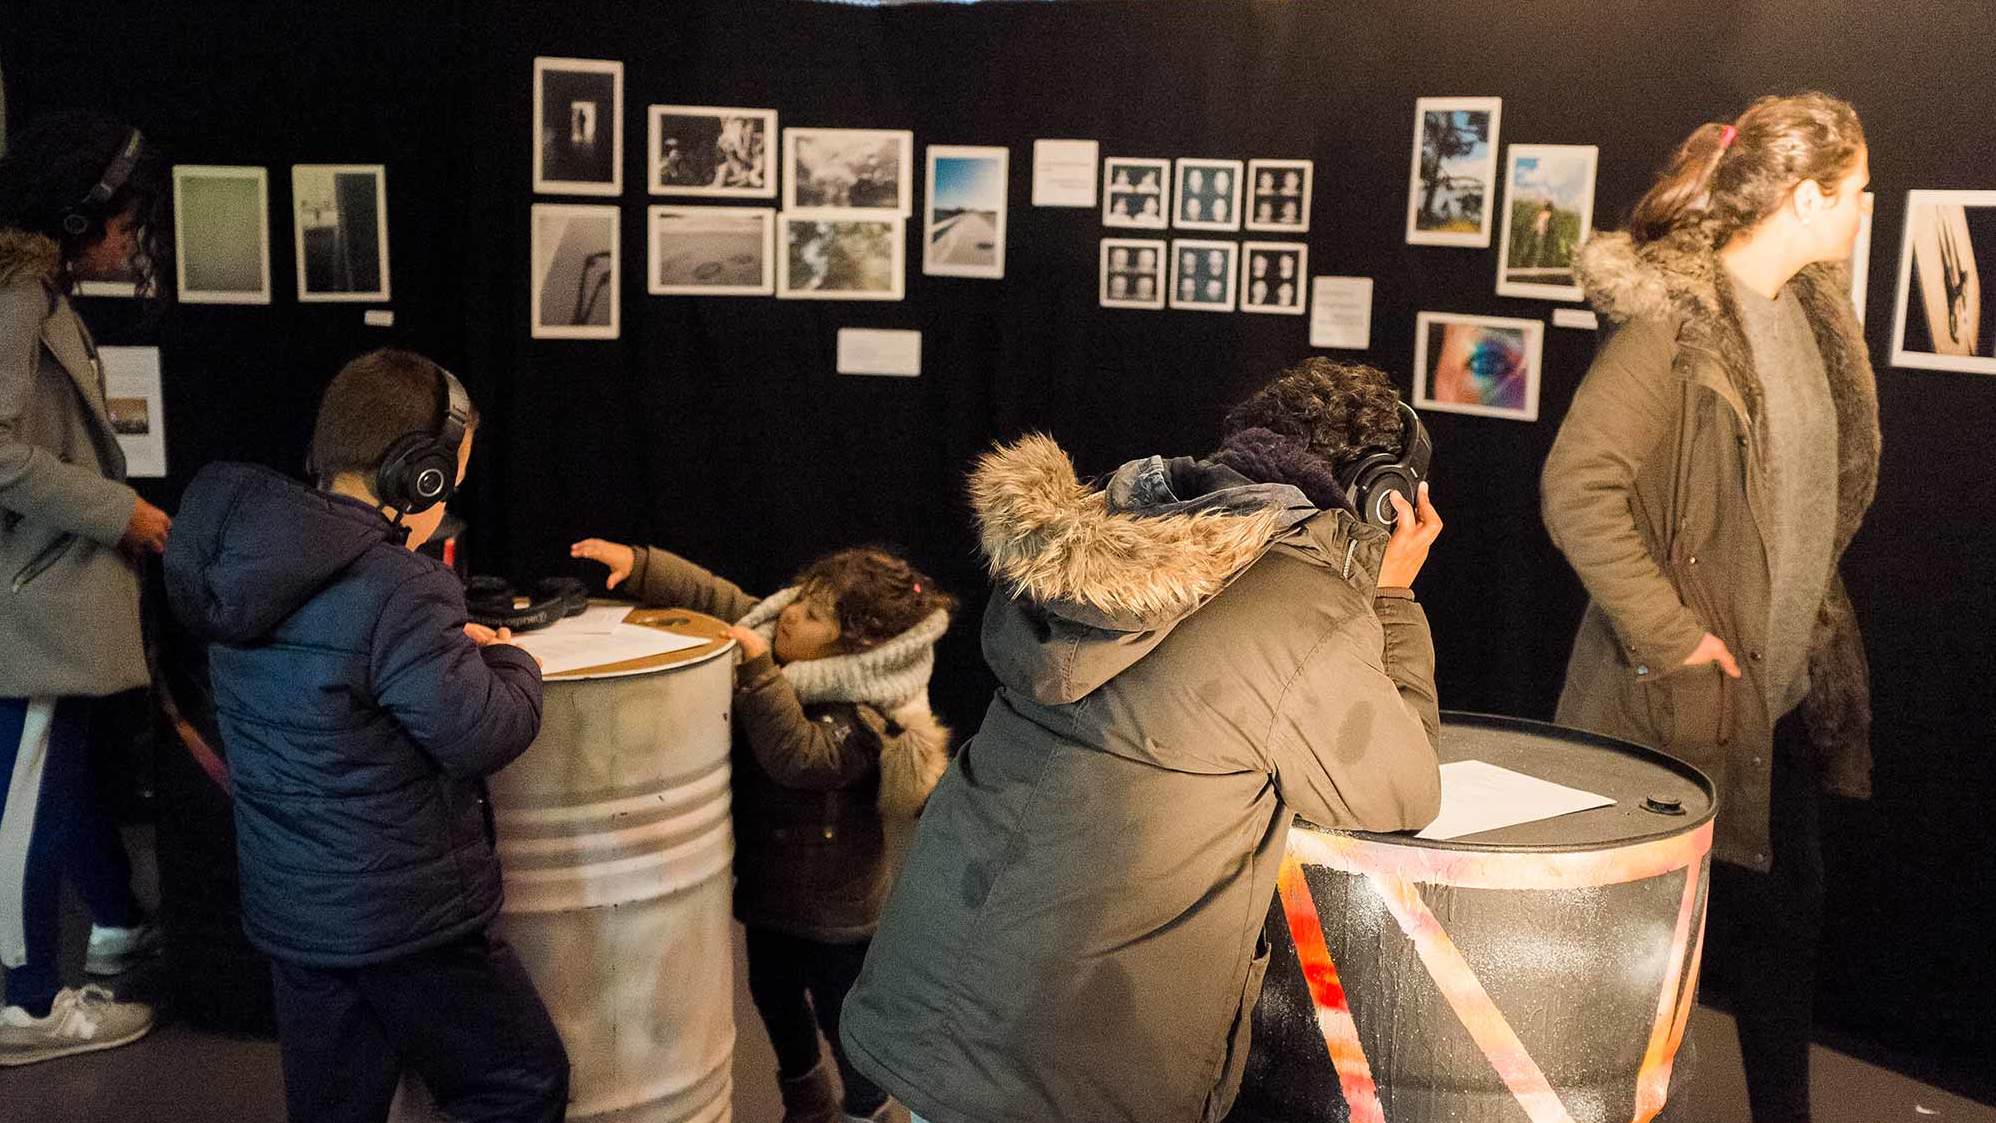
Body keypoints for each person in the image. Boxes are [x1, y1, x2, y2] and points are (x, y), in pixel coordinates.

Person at [841, 358, 1445, 1123]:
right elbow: (1403, 790)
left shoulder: (1105, 531)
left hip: (931, 1002)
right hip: (1075, 1066)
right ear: (1382, 494)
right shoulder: (1302, 609)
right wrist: (1390, 597)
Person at [1543, 92, 1877, 1123]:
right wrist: (1674, 634)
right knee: (1648, 973)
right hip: (1677, 708)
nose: (1867, 208)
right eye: (1857, 190)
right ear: (1803, 197)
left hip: (1774, 708)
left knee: (1782, 943)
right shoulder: (1672, 329)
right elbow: (1576, 489)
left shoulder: (1814, 318)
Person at [163, 350, 568, 1122]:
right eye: (447, 479)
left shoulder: (237, 563)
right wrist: (512, 657)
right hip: (404, 920)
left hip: (297, 920)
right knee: (521, 1079)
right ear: (418, 475)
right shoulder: (401, 588)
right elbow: (482, 731)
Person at [570, 538, 953, 1123]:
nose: (791, 615)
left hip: (834, 916)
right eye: (800, 599)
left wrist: (755, 668)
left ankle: (868, 1108)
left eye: (814, 615)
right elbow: (719, 597)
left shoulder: (872, 715)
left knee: (841, 1018)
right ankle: (806, 1100)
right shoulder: (784, 641)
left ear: (859, 644)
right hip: (773, 894)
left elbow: (800, 758)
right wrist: (644, 566)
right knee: (772, 996)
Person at [0, 109, 172, 1065]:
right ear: (76, 215)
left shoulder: (37, 290)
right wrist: (120, 512)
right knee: (28, 791)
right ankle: (23, 1006)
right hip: (29, 597)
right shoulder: (18, 294)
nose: (129, 239)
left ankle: (113, 921)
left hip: (44, 591)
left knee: (56, 777)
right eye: (122, 220)